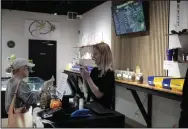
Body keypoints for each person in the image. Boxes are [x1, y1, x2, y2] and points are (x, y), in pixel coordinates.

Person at [80, 43, 115, 109]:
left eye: (95, 54)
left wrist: (88, 77)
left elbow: (99, 95)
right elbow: (87, 91)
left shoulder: (108, 73)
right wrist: (84, 77)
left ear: (103, 55)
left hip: (103, 111)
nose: (93, 57)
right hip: (92, 107)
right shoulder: (94, 70)